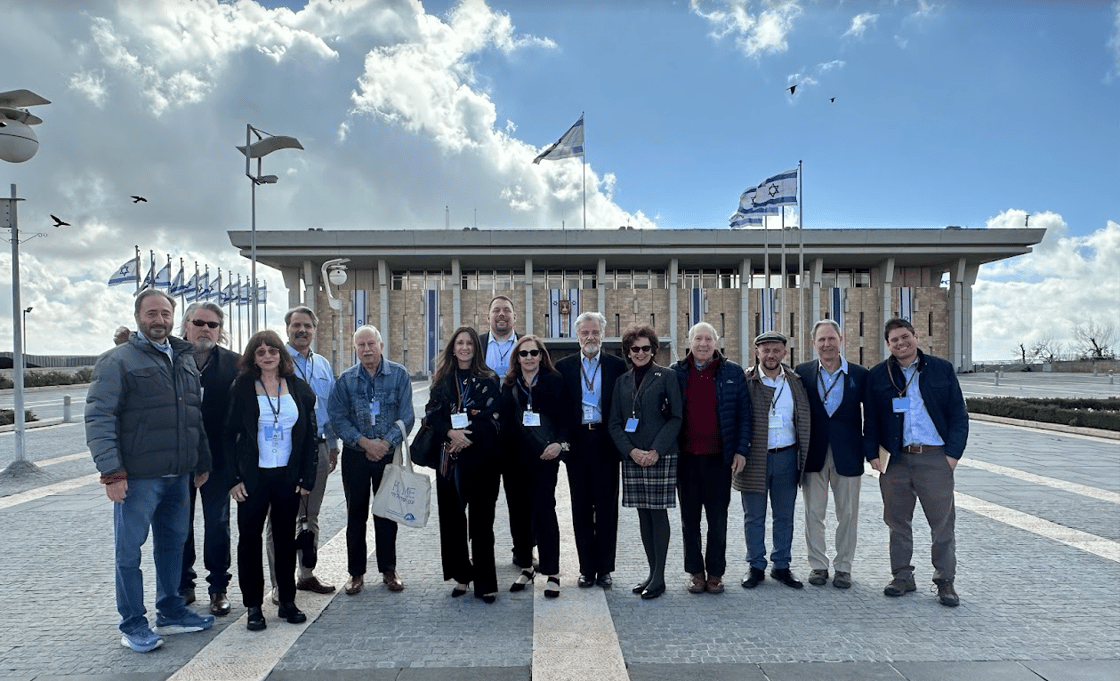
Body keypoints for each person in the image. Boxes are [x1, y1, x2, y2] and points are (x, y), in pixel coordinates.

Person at [85, 289, 214, 653]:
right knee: (129, 552)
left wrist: (201, 460)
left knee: (173, 546)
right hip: (138, 477)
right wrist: (111, 472)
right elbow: (99, 417)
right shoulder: (117, 361)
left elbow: (193, 415)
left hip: (178, 475)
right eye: (151, 313)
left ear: (175, 318)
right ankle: (133, 623)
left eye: (165, 313)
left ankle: (171, 610)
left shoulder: (183, 358)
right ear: (139, 316)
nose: (159, 320)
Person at [867, 317, 969, 607]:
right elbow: (871, 418)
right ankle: (902, 576)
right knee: (897, 522)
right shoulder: (879, 375)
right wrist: (872, 454)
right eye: (894, 340)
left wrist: (952, 455)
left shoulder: (941, 369)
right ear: (887, 345)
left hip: (935, 457)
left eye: (904, 337)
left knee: (942, 524)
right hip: (896, 459)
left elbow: (958, 415)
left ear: (915, 336)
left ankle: (945, 581)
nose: (901, 343)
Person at [225, 330, 317, 631]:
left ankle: (287, 600)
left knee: (284, 542)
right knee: (249, 541)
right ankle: (253, 606)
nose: (267, 355)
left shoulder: (298, 388)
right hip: (253, 478)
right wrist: (232, 479)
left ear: (281, 354)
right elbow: (227, 436)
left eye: (272, 350)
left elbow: (308, 437)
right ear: (253, 357)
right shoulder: (242, 387)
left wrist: (307, 477)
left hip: (287, 477)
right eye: (260, 351)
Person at [327, 325, 415, 595]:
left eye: (370, 344)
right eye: (361, 345)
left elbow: (407, 416)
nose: (366, 349)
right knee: (356, 515)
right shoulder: (345, 380)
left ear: (381, 345)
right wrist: (364, 442)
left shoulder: (399, 375)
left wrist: (385, 443)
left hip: (387, 455)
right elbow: (337, 417)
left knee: (387, 513)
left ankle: (389, 569)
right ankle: (356, 573)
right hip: (356, 455)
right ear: (355, 349)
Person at [669, 322, 751, 595]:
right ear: (689, 342)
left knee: (718, 520)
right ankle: (695, 572)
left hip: (720, 460)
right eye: (698, 339)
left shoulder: (733, 372)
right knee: (689, 520)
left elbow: (744, 416)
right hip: (687, 459)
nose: (703, 344)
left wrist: (741, 450)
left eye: (708, 339)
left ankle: (715, 573)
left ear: (716, 342)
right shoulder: (676, 373)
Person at [263, 306, 338, 602]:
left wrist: (332, 445)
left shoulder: (322, 364)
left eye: (307, 325)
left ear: (315, 330)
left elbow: (328, 409)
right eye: (296, 325)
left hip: (318, 447)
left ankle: (306, 574)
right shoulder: (276, 363)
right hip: (284, 450)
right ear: (288, 329)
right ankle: (280, 585)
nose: (302, 330)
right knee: (279, 519)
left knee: (310, 514)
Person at [794, 319, 875, 590]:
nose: (827, 344)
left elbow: (872, 417)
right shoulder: (802, 373)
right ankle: (818, 565)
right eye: (821, 340)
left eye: (831, 338)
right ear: (814, 343)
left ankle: (843, 567)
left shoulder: (860, 375)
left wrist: (870, 450)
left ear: (841, 339)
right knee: (813, 513)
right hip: (813, 454)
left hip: (848, 453)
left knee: (848, 514)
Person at [426, 327, 503, 602]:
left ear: (476, 348)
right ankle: (461, 576)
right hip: (449, 459)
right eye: (460, 342)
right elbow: (432, 415)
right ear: (453, 347)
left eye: (470, 343)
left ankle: (486, 582)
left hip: (482, 459)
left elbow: (493, 415)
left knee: (482, 523)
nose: (465, 347)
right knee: (452, 520)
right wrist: (450, 433)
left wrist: (465, 437)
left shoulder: (489, 379)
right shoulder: (443, 379)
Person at [608, 324, 682, 600]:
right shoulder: (622, 382)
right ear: (628, 351)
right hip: (633, 457)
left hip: (660, 455)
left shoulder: (667, 376)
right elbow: (615, 423)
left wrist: (655, 451)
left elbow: (676, 417)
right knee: (643, 514)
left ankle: (660, 577)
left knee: (657, 513)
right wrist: (631, 452)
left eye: (646, 348)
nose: (640, 353)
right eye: (635, 348)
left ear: (654, 350)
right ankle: (651, 573)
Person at [733, 330, 810, 591]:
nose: (770, 355)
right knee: (753, 516)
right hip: (755, 457)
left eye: (776, 350)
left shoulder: (796, 381)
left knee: (784, 515)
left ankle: (781, 565)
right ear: (757, 352)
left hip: (787, 455)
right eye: (765, 350)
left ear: (784, 353)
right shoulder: (746, 380)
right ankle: (755, 565)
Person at [556, 312, 627, 589]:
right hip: (578, 445)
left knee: (607, 509)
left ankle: (605, 568)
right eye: (585, 333)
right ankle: (587, 568)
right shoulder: (564, 367)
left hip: (607, 443)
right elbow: (560, 409)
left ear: (602, 334)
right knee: (581, 508)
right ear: (577, 336)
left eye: (595, 332)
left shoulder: (617, 366)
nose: (590, 337)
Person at [177, 302, 239, 616]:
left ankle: (218, 589)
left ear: (220, 330)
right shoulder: (170, 359)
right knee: (179, 526)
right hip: (179, 461)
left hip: (218, 462)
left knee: (217, 525)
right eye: (199, 322)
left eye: (212, 324)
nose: (205, 329)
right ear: (186, 325)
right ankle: (184, 586)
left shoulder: (235, 364)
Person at [501, 335, 570, 597]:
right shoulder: (508, 385)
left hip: (544, 456)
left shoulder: (555, 382)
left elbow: (566, 419)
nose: (529, 357)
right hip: (514, 460)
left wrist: (560, 445)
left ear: (542, 355)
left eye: (534, 352)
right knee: (519, 514)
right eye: (523, 353)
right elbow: (504, 424)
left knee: (544, 511)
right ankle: (526, 566)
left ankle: (551, 571)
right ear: (516, 358)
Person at [479, 295, 534, 570]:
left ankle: (524, 552)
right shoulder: (474, 345)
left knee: (521, 500)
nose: (501, 315)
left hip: (517, 436)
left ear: (515, 317)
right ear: (487, 317)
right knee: (482, 501)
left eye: (507, 311)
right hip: (483, 437)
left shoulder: (527, 346)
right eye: (496, 310)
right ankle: (481, 555)